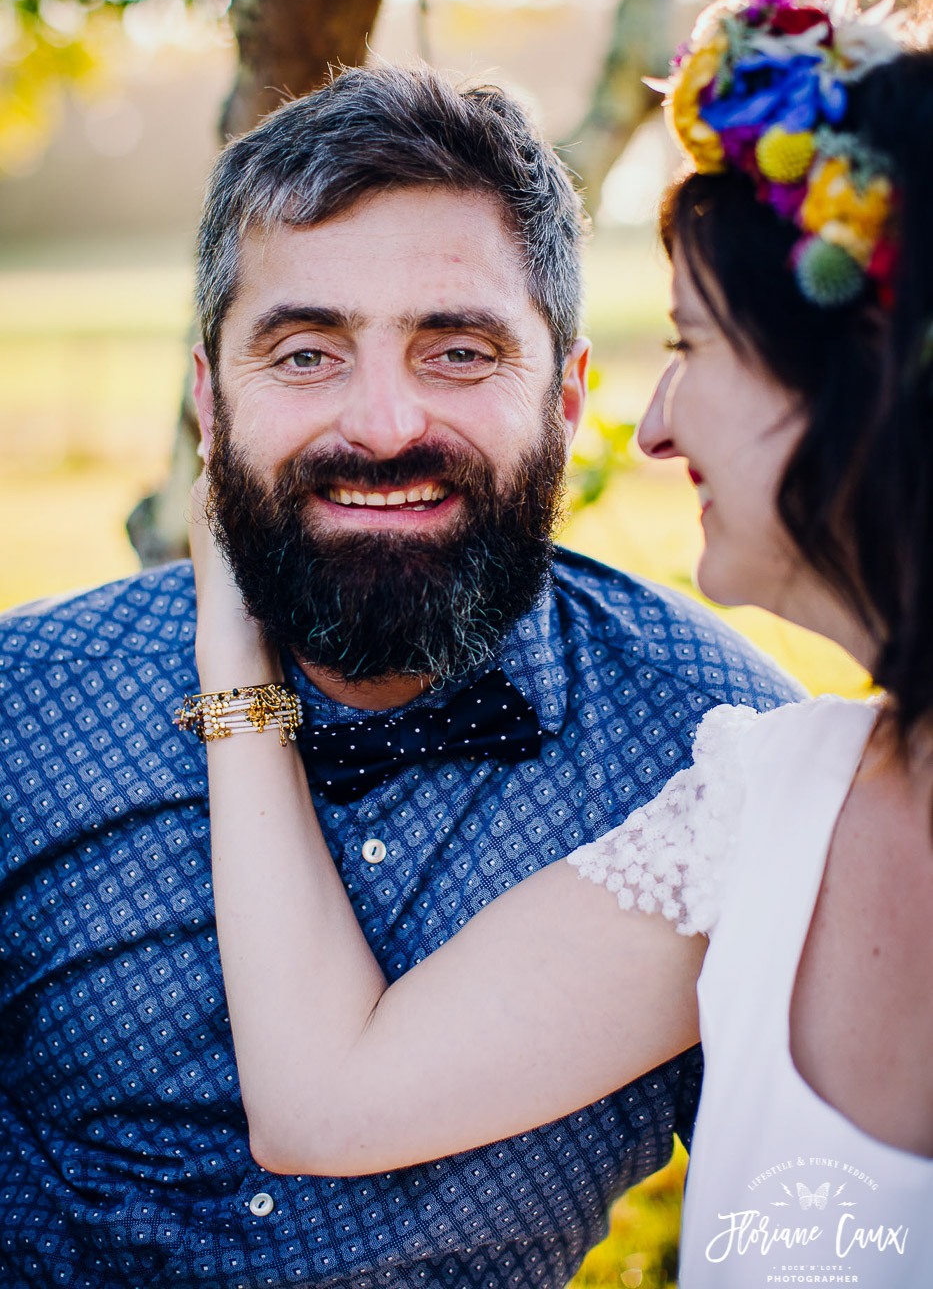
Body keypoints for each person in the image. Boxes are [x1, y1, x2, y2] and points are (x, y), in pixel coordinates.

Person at [188, 0, 933, 1288]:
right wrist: (235, 653)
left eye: (693, 344)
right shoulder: (766, 799)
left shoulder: (704, 722)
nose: (656, 426)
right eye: (306, 353)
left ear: (856, 389)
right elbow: (325, 1102)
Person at [0, 70, 797, 1287]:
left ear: (569, 396)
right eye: (306, 352)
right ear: (209, 401)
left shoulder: (712, 749)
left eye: (459, 351)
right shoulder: (26, 705)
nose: (382, 425)